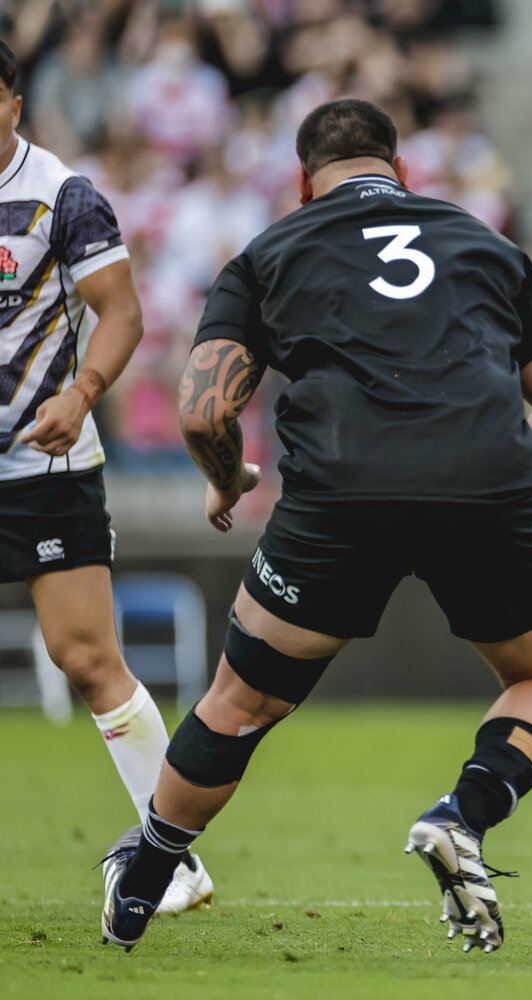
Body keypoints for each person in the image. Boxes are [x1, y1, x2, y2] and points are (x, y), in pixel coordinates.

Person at [99, 98, 532, 955]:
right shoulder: (486, 242)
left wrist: (228, 482)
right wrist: (508, 513)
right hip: (487, 488)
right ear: (401, 172)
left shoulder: (268, 253)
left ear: (303, 183)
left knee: (241, 702)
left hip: (339, 500)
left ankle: (145, 875)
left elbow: (200, 411)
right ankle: (462, 816)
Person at [0, 39, 212, 914]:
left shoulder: (62, 194)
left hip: (45, 464)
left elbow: (119, 310)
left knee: (86, 658)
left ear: (12, 100)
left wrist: (84, 392)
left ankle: (174, 860)